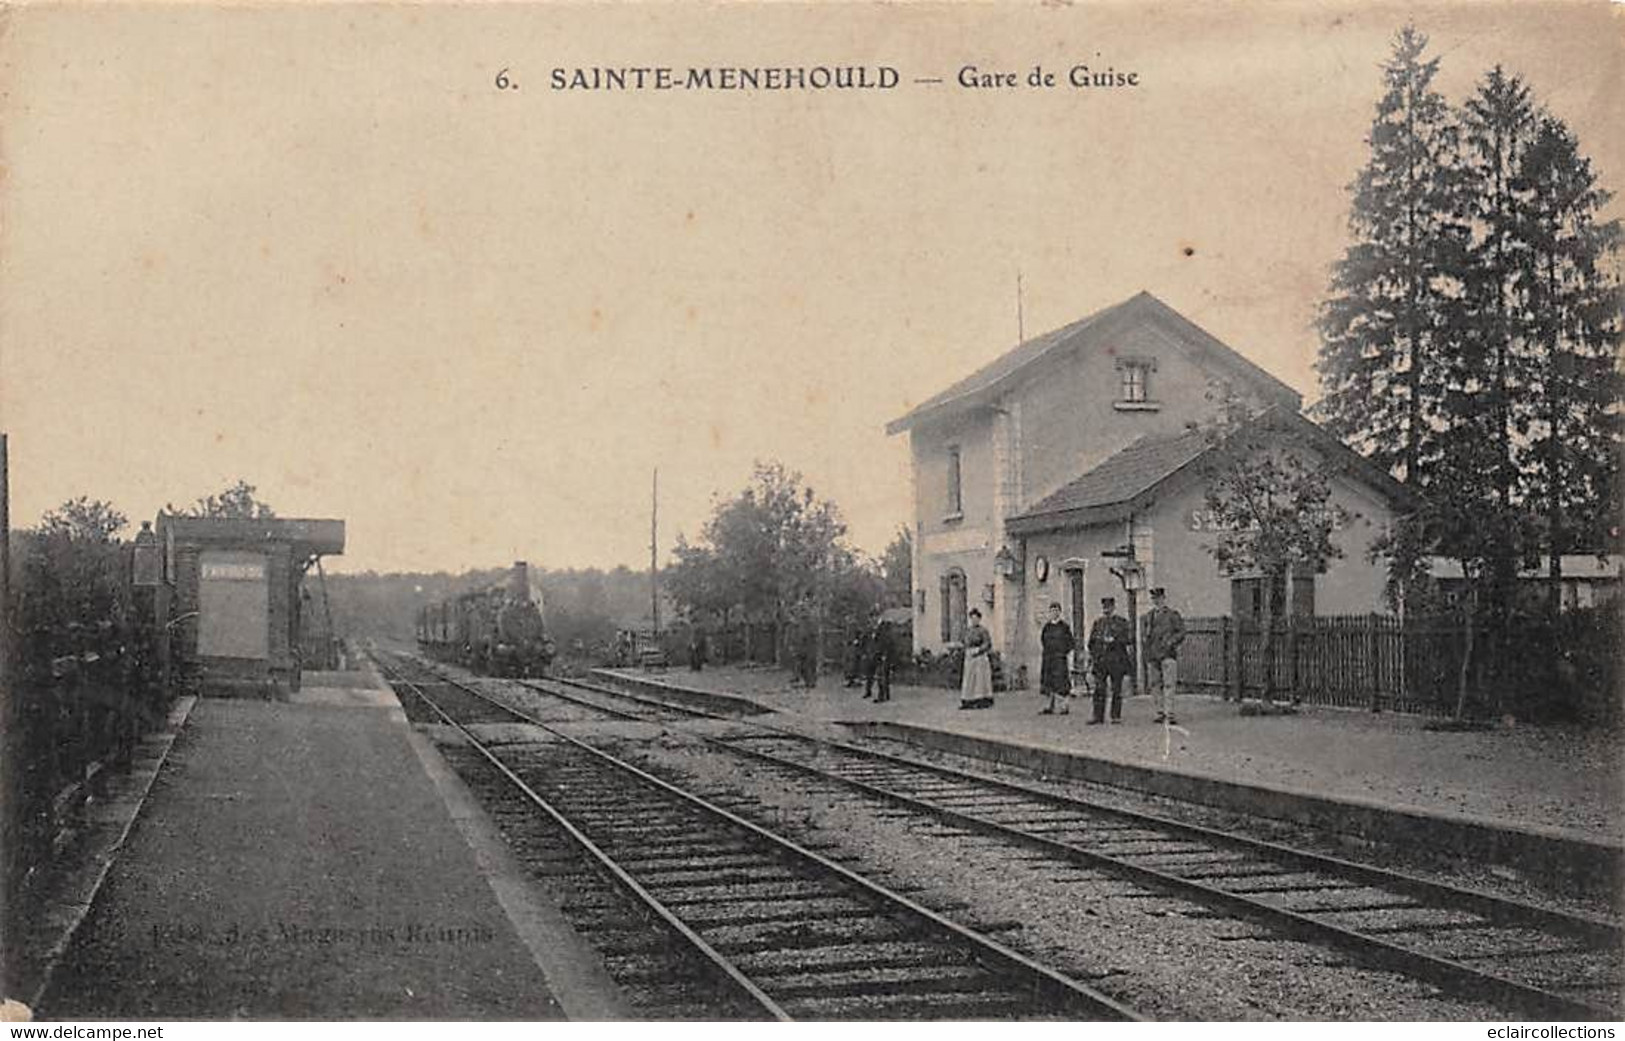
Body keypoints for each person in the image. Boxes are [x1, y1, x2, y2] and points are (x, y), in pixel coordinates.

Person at [1087, 596, 1134, 725]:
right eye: (1104, 607)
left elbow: (1129, 640)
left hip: (1116, 661)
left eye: (1108, 607)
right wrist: (1094, 655)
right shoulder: (1098, 623)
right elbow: (1091, 642)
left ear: (1113, 607)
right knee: (1099, 689)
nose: (1106, 610)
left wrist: (1115, 640)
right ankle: (1098, 715)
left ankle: (1115, 715)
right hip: (1101, 661)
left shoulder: (1122, 622)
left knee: (1116, 689)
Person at [1143, 587, 1186, 725]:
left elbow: (1181, 632)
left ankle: (1169, 713)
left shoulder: (1173, 615)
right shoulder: (1149, 616)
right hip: (1153, 655)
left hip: (1168, 654)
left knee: (1169, 684)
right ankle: (1159, 711)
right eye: (1154, 599)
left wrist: (1171, 642)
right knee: (1155, 684)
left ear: (1164, 598)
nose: (1156, 601)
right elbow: (1146, 635)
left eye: (1159, 598)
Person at [1038, 602, 1075, 715]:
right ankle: (1049, 705)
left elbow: (1070, 642)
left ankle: (1064, 706)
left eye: (1056, 610)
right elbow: (1043, 640)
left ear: (1060, 612)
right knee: (1048, 681)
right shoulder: (1047, 627)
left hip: (1060, 658)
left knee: (1061, 682)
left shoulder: (1064, 627)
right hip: (1048, 658)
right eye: (1052, 611)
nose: (1054, 613)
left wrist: (1064, 652)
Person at [959, 608, 994, 709]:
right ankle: (968, 699)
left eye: (976, 619)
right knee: (969, 679)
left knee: (980, 679)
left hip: (980, 657)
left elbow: (987, 643)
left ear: (979, 619)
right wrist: (965, 648)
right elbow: (964, 641)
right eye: (972, 619)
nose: (974, 621)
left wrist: (979, 650)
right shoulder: (968, 631)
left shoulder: (983, 631)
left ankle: (982, 699)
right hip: (970, 657)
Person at [867, 619, 896, 703]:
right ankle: (886, 695)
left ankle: (882, 696)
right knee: (884, 677)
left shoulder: (883, 635)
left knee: (881, 676)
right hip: (883, 656)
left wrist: (884, 655)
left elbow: (884, 646)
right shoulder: (886, 635)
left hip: (882, 657)